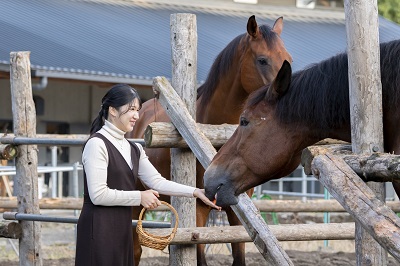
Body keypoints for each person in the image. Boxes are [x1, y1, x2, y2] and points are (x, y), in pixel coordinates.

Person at [75, 84, 220, 266]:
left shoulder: (133, 148)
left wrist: (195, 191)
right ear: (112, 110)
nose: (136, 115)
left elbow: (157, 181)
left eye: (138, 110)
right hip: (98, 229)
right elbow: (98, 195)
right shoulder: (97, 144)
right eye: (131, 110)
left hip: (122, 227)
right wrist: (140, 196)